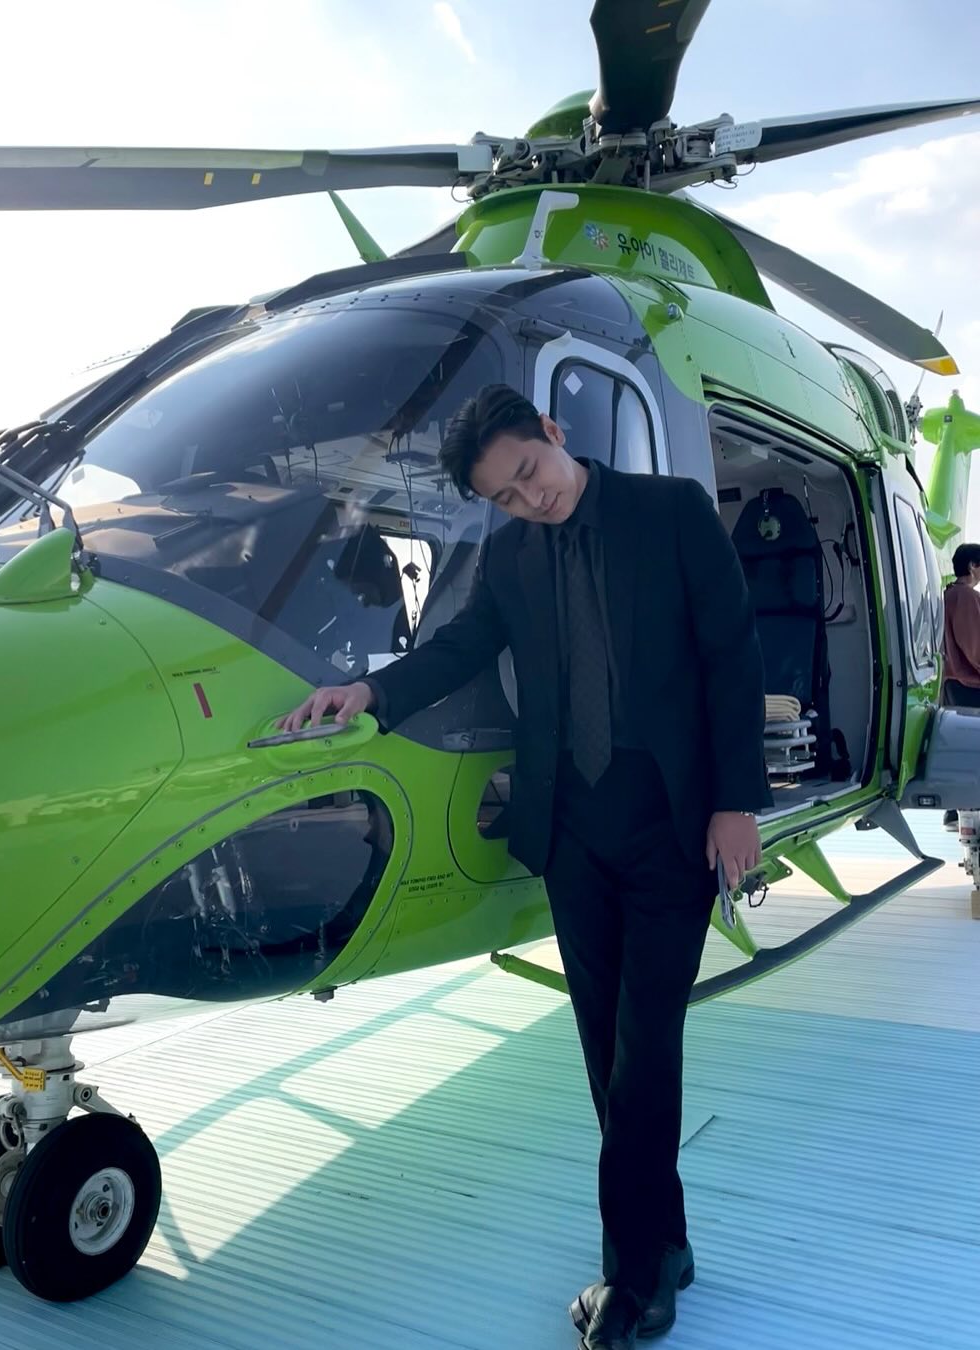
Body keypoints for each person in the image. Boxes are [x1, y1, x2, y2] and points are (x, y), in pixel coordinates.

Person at [277, 384, 771, 1349]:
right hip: (572, 828)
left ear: (552, 433)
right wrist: (370, 691)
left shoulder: (670, 512)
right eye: (505, 496)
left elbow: (731, 655)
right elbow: (462, 646)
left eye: (530, 473)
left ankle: (631, 1283)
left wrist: (736, 803)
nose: (530, 498)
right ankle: (664, 1243)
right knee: (605, 1053)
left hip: (671, 824)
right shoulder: (510, 556)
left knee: (645, 1052)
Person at [939, 542, 980, 830]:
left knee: (960, 749)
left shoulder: (947, 595)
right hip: (970, 685)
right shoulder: (966, 597)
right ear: (973, 566)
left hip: (951, 684)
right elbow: (975, 647)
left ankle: (956, 811)